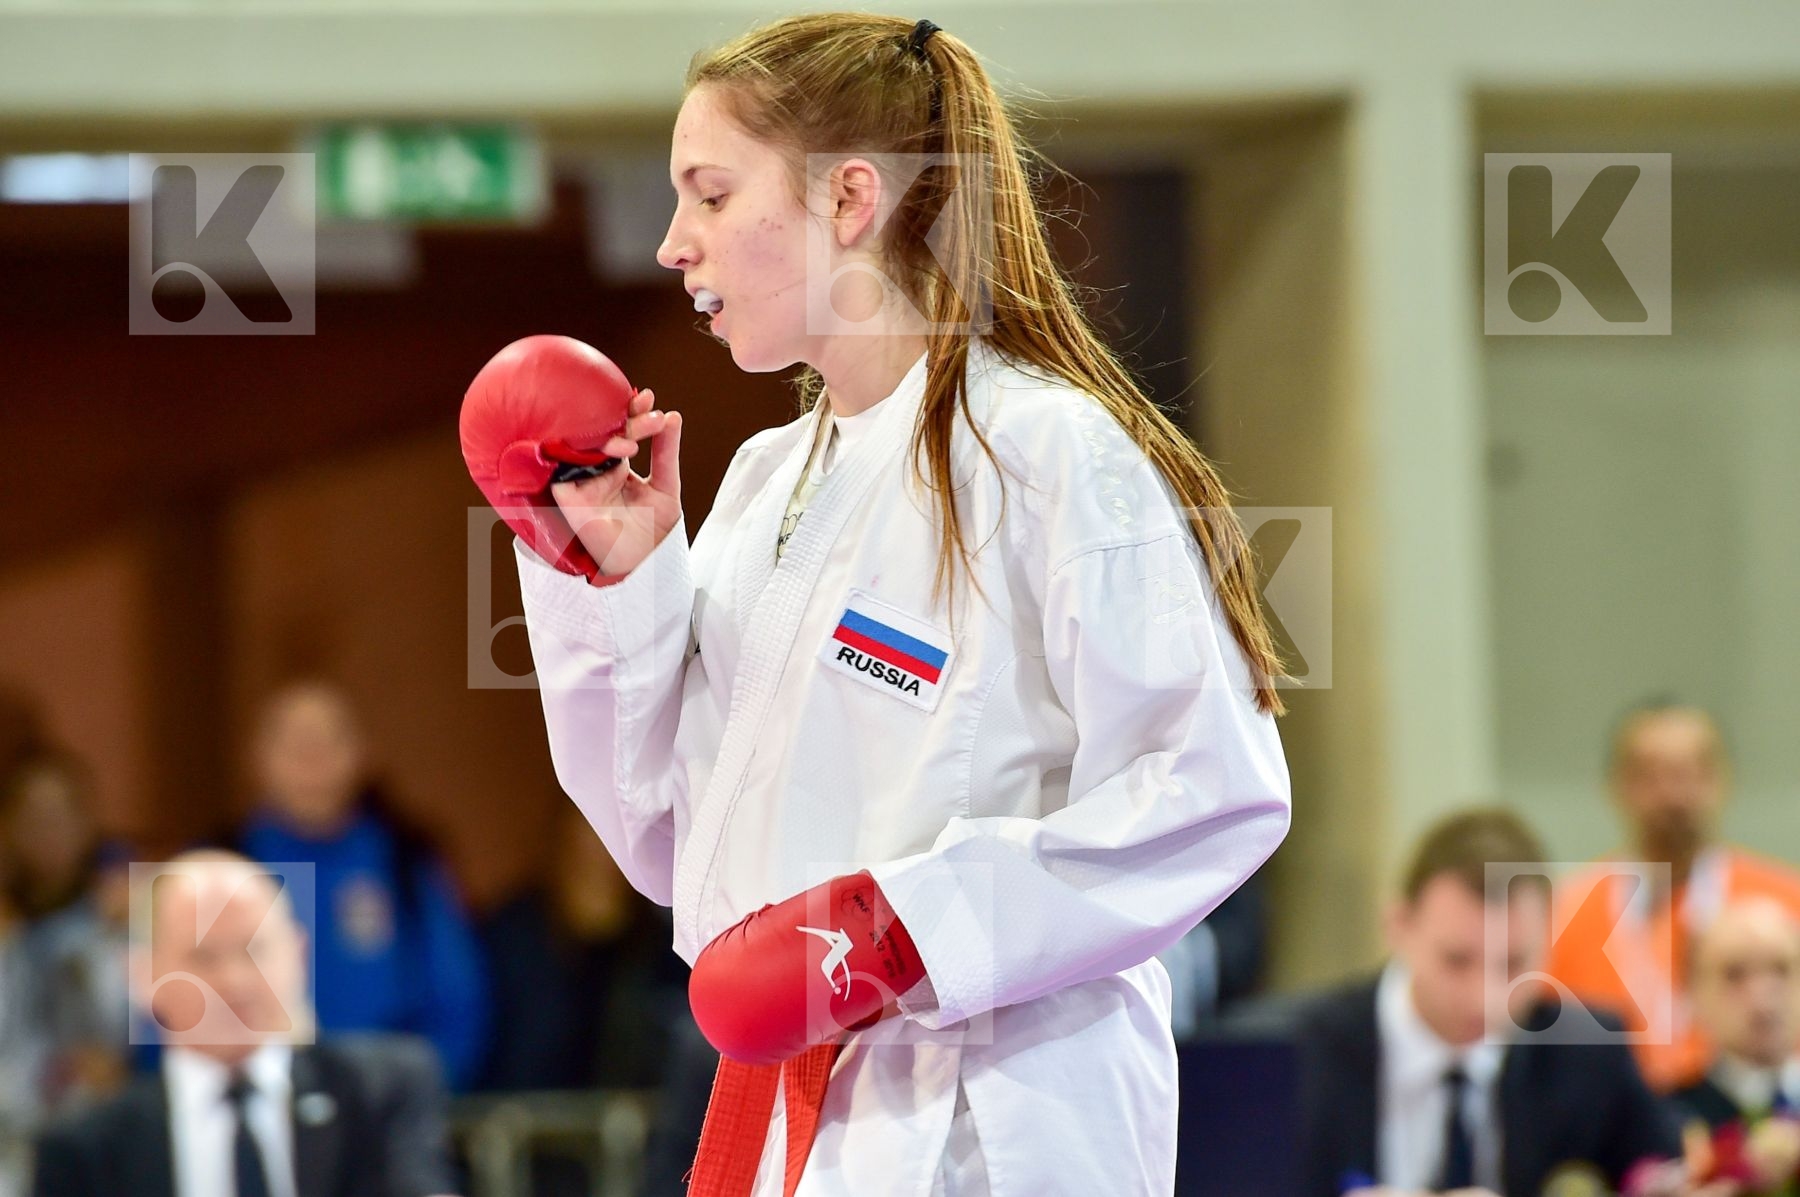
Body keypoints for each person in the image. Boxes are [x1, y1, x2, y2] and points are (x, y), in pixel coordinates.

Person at [464, 13, 1294, 1196]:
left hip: (997, 1112)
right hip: (787, 1113)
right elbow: (664, 844)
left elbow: (1215, 787)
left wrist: (907, 928)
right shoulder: (765, 480)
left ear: (850, 200)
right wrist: (616, 580)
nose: (672, 245)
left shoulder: (1046, 452)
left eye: (708, 194)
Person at [1290, 808, 1681, 1197]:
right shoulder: (1297, 1054)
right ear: (1399, 926)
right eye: (1457, 961)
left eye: (1514, 965)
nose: (1486, 1000)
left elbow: (1667, 1177)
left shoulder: (1587, 1054)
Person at [31, 849, 458, 1197]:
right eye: (204, 958)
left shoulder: (379, 1092)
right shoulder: (84, 1150)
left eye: (255, 950)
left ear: (298, 954)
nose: (234, 981)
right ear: (143, 976)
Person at [239, 682, 490, 1092]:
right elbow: (172, 1008)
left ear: (360, 752)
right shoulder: (220, 864)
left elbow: (459, 1004)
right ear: (258, 756)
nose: (310, 759)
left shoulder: (405, 861)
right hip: (256, 1111)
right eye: (293, 743)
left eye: (327, 741)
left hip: (383, 1114)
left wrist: (414, 1097)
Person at [1544, 702, 1800, 1094]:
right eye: (1651, 775)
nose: (1674, 795)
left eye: (1692, 772)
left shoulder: (1786, 905)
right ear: (1617, 785)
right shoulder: (1563, 915)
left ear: (1723, 779)